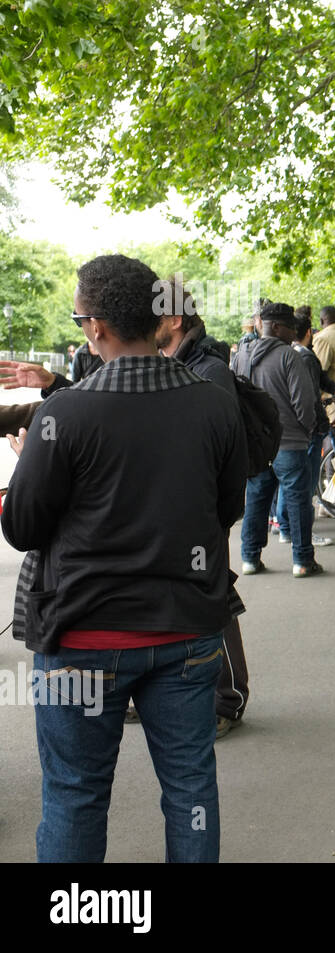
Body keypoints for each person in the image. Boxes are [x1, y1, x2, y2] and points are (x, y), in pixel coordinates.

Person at [2, 253, 244, 861]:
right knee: (190, 785)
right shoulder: (213, 402)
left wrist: (23, 467)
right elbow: (226, 509)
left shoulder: (65, 413)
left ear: (97, 326)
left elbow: (25, 527)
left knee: (75, 795)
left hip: (81, 635)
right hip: (187, 630)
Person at [154, 276, 252, 737]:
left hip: (201, 507)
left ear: (173, 320)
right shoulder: (171, 360)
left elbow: (220, 448)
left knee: (214, 598)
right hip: (178, 504)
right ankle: (183, 697)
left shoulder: (208, 368)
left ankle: (227, 700)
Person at [233, 302, 323, 578]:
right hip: (290, 442)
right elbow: (304, 403)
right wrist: (307, 431)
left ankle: (249, 558)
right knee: (297, 502)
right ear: (277, 327)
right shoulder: (289, 357)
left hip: (258, 445)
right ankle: (302, 561)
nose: (294, 334)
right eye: (291, 328)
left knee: (256, 499)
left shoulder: (241, 356)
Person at [275, 310, 335, 548]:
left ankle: (284, 526)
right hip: (308, 429)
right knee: (305, 486)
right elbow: (309, 394)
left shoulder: (287, 355)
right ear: (308, 332)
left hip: (289, 428)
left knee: (288, 483)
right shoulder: (306, 358)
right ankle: (299, 533)